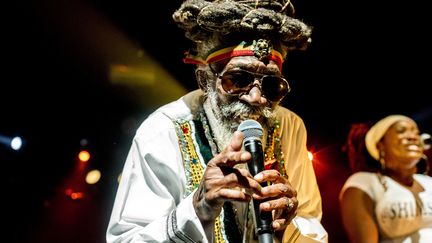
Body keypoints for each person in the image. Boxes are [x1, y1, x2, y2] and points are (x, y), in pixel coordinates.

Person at [106, 0, 328, 242]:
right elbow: (126, 239)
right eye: (238, 79)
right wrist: (196, 209)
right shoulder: (163, 129)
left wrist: (287, 226)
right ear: (205, 81)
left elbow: (311, 222)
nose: (256, 98)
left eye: (271, 85)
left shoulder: (289, 126)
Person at [339, 114, 432, 243]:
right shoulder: (364, 183)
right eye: (401, 131)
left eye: (416, 133)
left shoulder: (429, 183)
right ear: (380, 146)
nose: (413, 137)